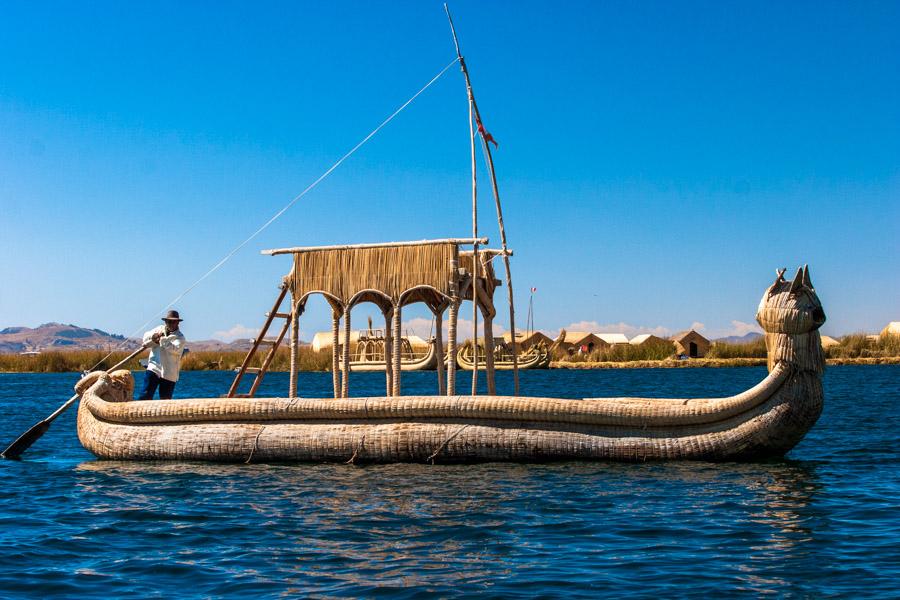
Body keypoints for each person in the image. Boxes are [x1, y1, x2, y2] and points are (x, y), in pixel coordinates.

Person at [138, 310, 186, 400]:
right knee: (145, 395)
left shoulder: (180, 338)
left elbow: (174, 349)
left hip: (169, 373)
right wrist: (154, 337)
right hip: (154, 367)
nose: (171, 324)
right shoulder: (159, 329)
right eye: (169, 321)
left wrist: (162, 340)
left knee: (165, 400)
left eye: (174, 321)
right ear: (165, 322)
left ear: (178, 323)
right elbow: (145, 339)